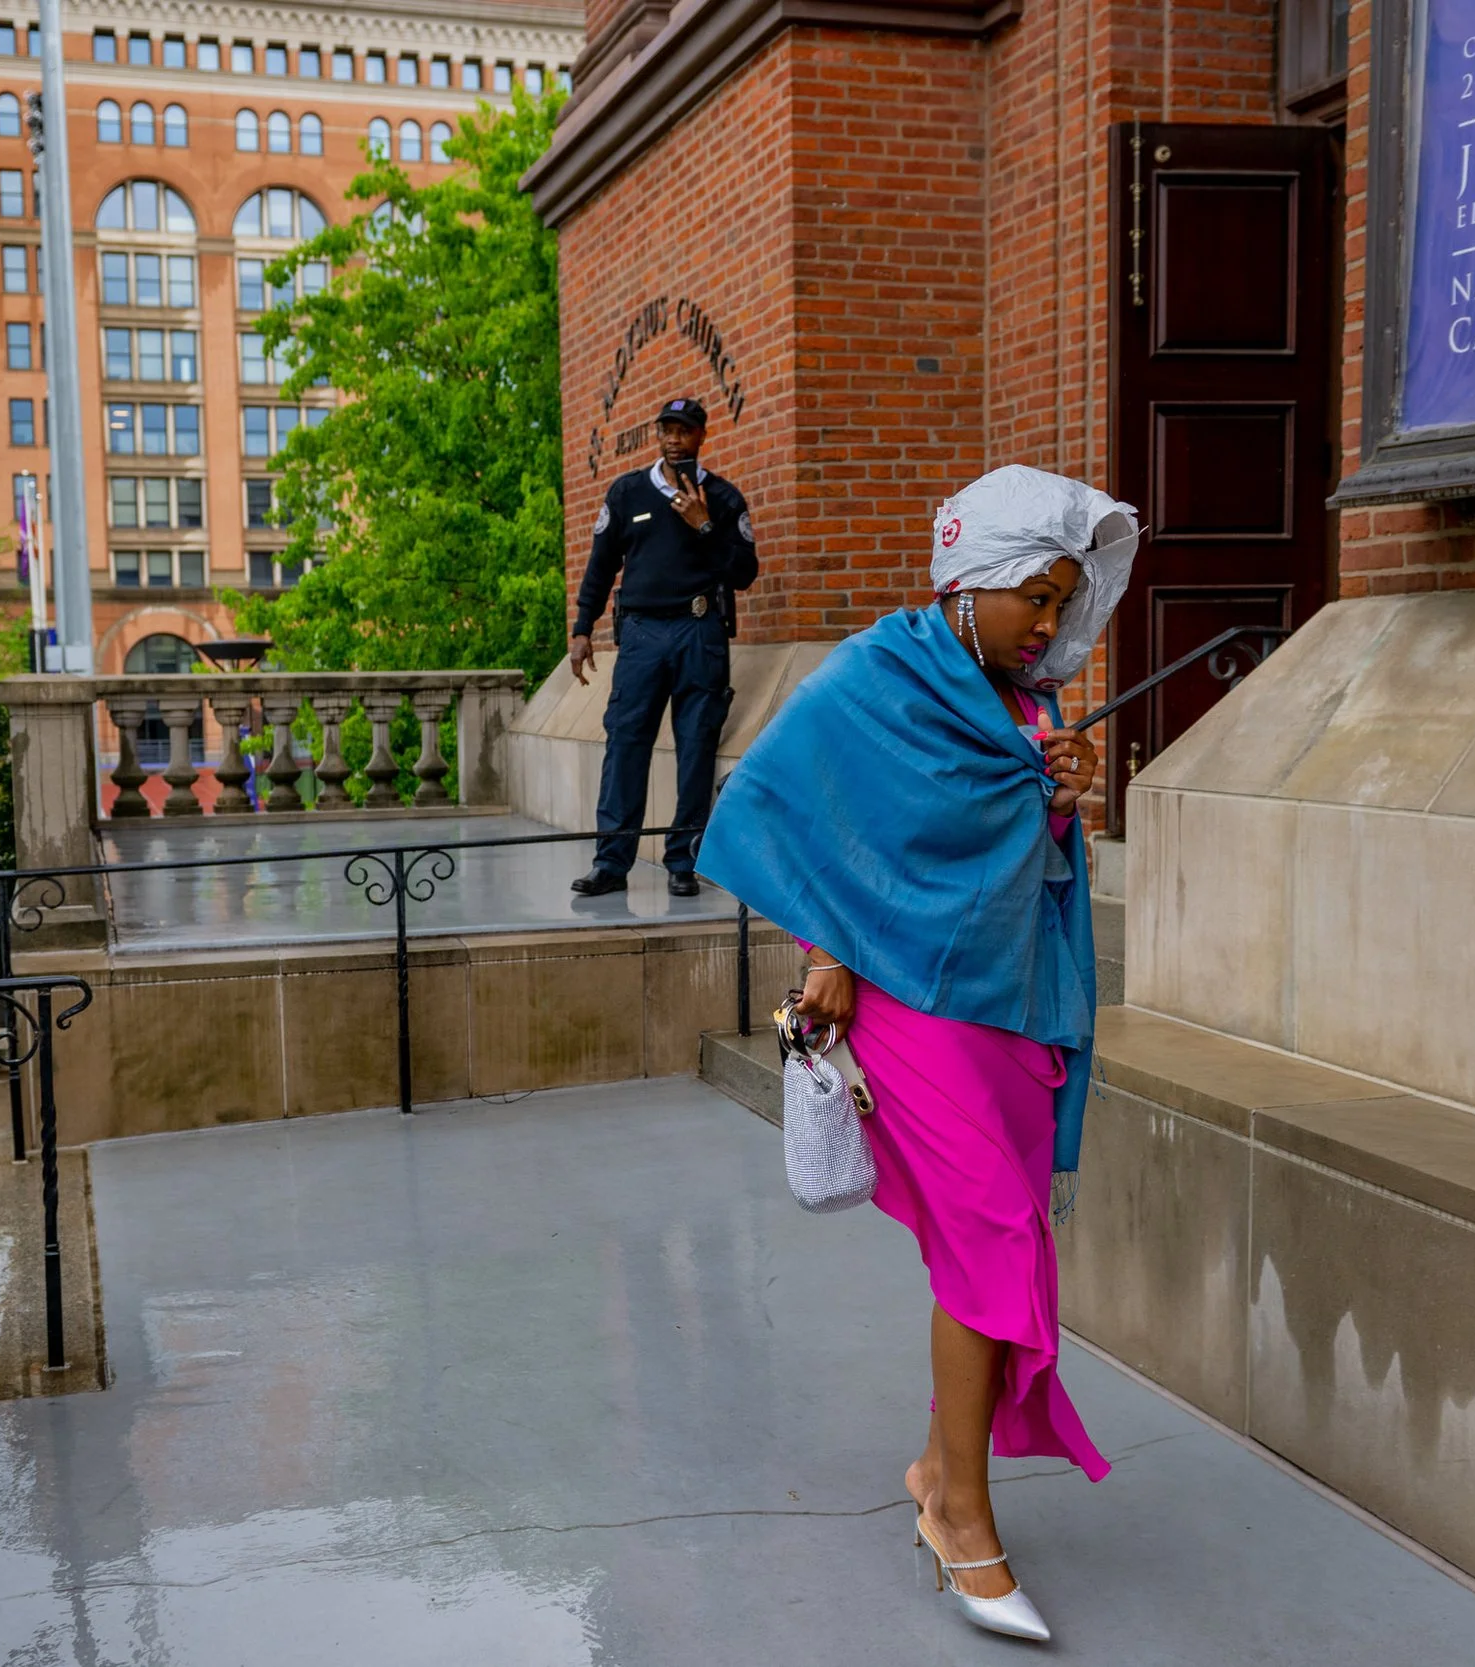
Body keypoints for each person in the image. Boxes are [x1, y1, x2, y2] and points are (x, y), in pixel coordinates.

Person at [697, 465, 1139, 1645]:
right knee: (990, 1228)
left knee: (994, 1240)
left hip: (1009, 995)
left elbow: (1011, 848)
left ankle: (940, 1472)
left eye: (1062, 602)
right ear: (976, 579)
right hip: (902, 995)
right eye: (1034, 598)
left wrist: (1063, 795)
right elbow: (799, 801)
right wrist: (822, 944)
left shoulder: (1025, 698)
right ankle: (962, 1516)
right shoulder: (872, 673)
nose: (1050, 624)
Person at [568, 397, 759, 898]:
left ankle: (683, 860)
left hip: (699, 633)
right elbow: (600, 565)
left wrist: (704, 524)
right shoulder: (628, 492)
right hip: (642, 636)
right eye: (667, 430)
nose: (674, 438)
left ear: (701, 436)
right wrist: (583, 627)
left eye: (685, 430)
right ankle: (611, 863)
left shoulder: (723, 497)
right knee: (625, 743)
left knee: (696, 749)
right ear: (659, 435)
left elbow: (743, 573)